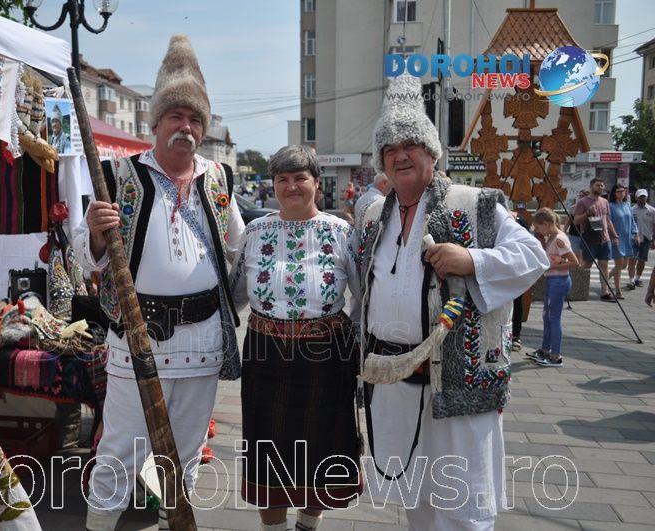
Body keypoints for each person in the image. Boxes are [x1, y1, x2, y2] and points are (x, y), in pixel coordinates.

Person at [354, 74, 547, 530]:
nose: (400, 155)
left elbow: (532, 256)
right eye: (390, 148)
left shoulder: (473, 204)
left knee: (463, 507)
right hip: (393, 382)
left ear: (432, 152)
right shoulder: (373, 214)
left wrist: (472, 260)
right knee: (417, 501)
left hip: (457, 384)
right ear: (381, 160)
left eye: (411, 145)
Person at [73, 35, 245, 531]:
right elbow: (84, 257)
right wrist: (97, 235)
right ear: (155, 124)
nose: (185, 127)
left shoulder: (218, 179)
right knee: (119, 451)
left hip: (201, 340)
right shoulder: (118, 175)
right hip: (137, 337)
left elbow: (238, 246)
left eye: (194, 119)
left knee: (186, 452)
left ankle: (172, 519)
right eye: (175, 116)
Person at [230, 145, 361, 531]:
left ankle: (307, 524)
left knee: (321, 444)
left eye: (300, 178)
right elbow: (235, 293)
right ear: (273, 185)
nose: (291, 186)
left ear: (316, 183)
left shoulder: (341, 232)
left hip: (327, 357)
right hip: (265, 356)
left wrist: (355, 345)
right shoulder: (256, 232)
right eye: (282, 179)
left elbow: (363, 295)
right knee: (267, 448)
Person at [526, 208, 579, 367]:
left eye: (538, 227)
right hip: (553, 280)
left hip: (559, 281)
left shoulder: (559, 239)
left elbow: (575, 262)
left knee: (554, 318)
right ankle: (545, 350)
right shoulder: (552, 237)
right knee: (547, 317)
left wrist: (553, 266)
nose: (537, 230)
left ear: (546, 224)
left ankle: (555, 356)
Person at [572, 177, 619, 300]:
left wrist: (614, 235)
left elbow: (607, 220)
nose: (600, 187)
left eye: (602, 185)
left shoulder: (605, 201)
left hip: (604, 239)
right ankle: (578, 289)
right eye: (598, 185)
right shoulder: (583, 202)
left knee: (604, 264)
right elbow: (576, 220)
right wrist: (587, 213)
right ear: (591, 186)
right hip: (589, 238)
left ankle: (605, 292)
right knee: (587, 264)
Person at [607, 185, 638, 299]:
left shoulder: (627, 205)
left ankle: (606, 277)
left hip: (628, 239)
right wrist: (613, 235)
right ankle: (618, 290)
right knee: (619, 264)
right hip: (616, 238)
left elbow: (633, 221)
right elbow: (608, 222)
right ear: (614, 193)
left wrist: (636, 234)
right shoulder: (611, 206)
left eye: (623, 191)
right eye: (618, 191)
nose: (621, 193)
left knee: (624, 265)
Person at [510, 208, 530, 351]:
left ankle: (515, 335)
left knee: (517, 302)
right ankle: (513, 335)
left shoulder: (519, 220)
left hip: (517, 267)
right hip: (508, 265)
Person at [629, 189, 655, 289]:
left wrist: (654, 239)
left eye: (644, 196)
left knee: (642, 260)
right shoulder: (631, 210)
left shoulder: (652, 210)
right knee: (632, 259)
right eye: (640, 197)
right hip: (634, 238)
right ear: (636, 198)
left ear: (646, 197)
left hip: (646, 238)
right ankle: (631, 280)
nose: (642, 198)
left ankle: (637, 278)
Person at [565, 189, 588, 263]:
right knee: (575, 255)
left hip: (587, 235)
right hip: (574, 234)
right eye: (579, 196)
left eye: (582, 196)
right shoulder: (573, 208)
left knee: (584, 256)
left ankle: (582, 268)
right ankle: (576, 268)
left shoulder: (590, 207)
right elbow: (568, 221)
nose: (580, 198)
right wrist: (564, 231)